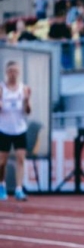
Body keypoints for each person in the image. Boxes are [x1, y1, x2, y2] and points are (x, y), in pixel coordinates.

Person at [0, 60, 32, 201]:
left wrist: (26, 101)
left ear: (18, 73)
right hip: (4, 129)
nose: (13, 74)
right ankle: (2, 185)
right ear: (6, 72)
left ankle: (19, 189)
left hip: (19, 129)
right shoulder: (1, 88)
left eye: (15, 71)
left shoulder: (23, 89)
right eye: (10, 71)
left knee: (20, 159)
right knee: (2, 162)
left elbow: (28, 111)